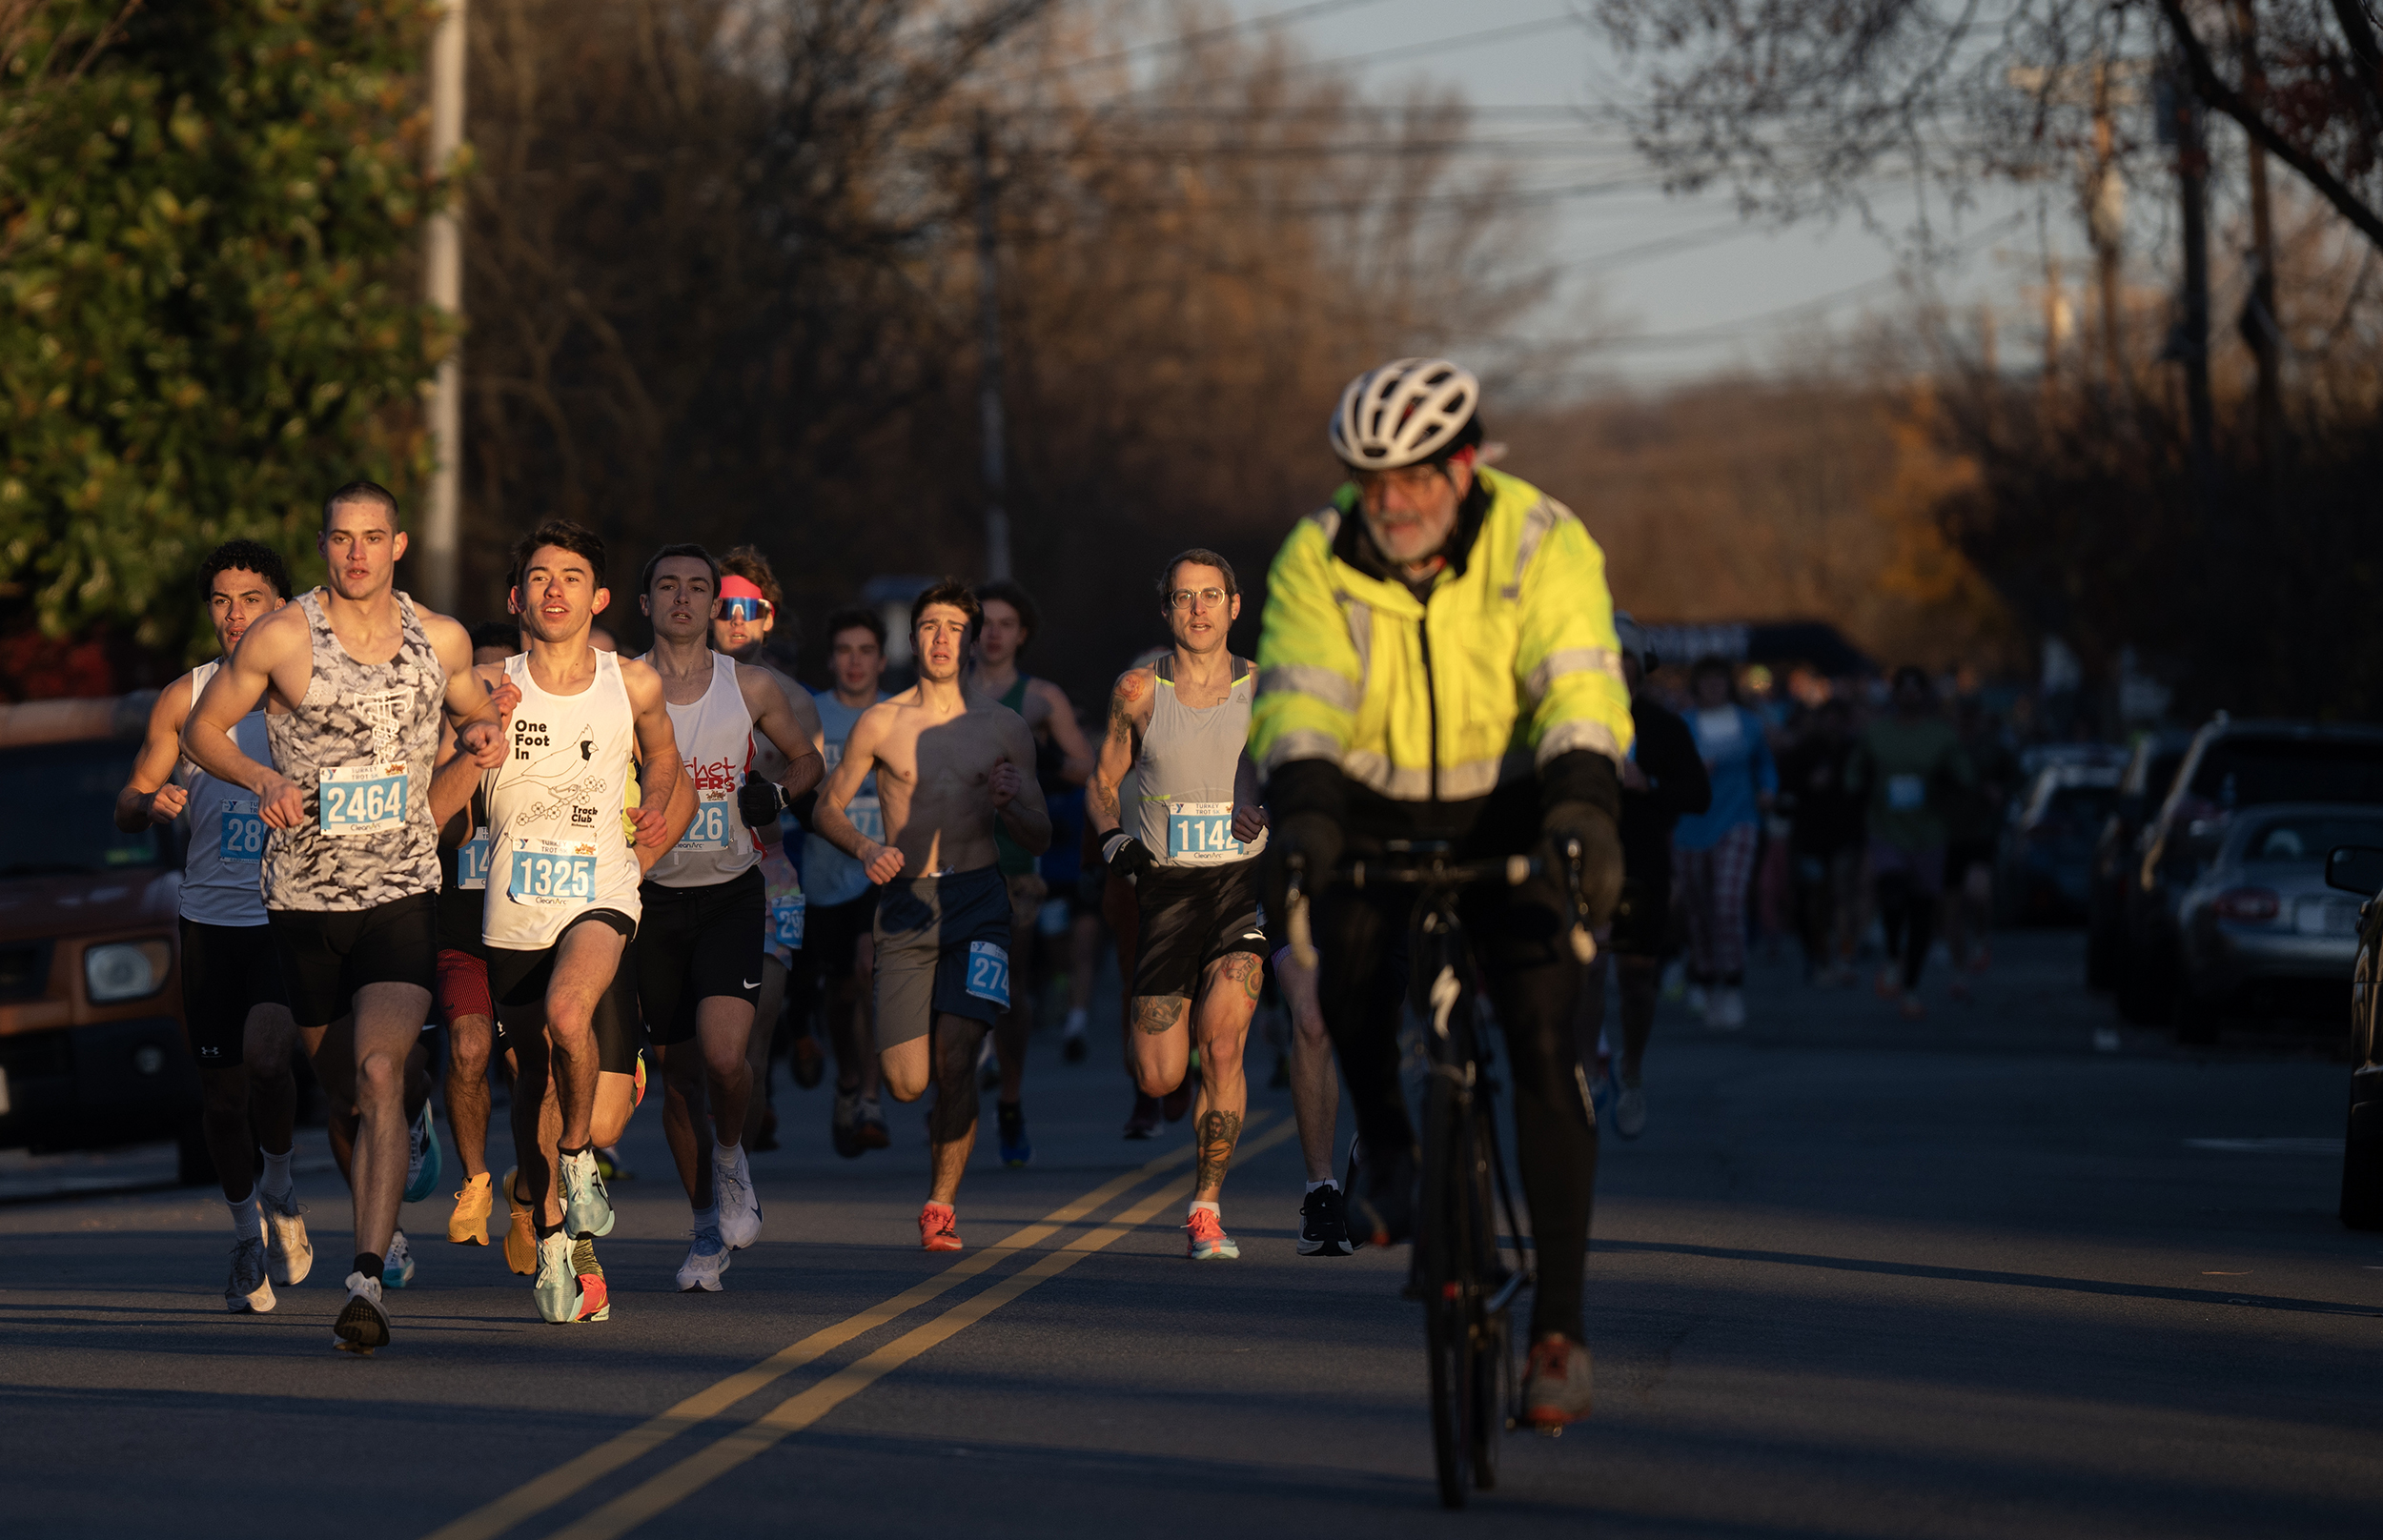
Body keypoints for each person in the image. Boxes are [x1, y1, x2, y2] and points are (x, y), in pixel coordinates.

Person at [1252, 357, 1629, 1429]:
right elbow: (1298, 705)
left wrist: (1585, 806)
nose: (1393, 502)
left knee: (1548, 1044)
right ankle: (1400, 1156)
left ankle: (1557, 1326)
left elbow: (1578, 681)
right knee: (1341, 975)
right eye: (1371, 481)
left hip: (1518, 805)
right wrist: (1308, 819)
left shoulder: (1543, 539)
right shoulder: (1314, 556)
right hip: (1366, 804)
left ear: (1466, 465)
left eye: (1415, 476)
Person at [182, 481, 506, 1355]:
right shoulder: (283, 635)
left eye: (372, 538)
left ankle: (366, 1276)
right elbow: (201, 732)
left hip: (402, 890)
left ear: (398, 545)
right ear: (324, 545)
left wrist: (481, 739)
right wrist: (263, 780)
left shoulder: (437, 637)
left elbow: (477, 712)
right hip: (302, 900)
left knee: (375, 1071)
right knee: (340, 1089)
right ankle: (402, 1123)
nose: (356, 553)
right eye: (340, 538)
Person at [472, 521, 682, 1323]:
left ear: (597, 598)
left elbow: (661, 756)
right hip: (513, 906)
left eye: (571, 577)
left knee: (570, 1015)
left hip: (601, 888)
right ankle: (557, 1239)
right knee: (532, 1082)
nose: (553, 589)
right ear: (517, 596)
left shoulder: (631, 683)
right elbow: (443, 789)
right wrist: (475, 734)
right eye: (538, 576)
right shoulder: (489, 681)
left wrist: (656, 804)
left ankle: (580, 1161)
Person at [814, 578, 1051, 1252]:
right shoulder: (882, 723)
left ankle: (941, 1204)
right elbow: (827, 807)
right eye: (929, 626)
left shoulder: (1004, 727)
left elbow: (1040, 837)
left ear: (971, 640)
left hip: (980, 900)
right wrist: (865, 846)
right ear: (911, 638)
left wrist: (1015, 804)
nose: (942, 638)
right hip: (907, 902)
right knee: (908, 1081)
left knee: (956, 1058)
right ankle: (900, 1099)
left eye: (955, 626)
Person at [114, 540, 310, 1312]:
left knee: (268, 1060)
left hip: (285, 913)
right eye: (223, 601)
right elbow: (129, 800)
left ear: (280, 607)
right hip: (208, 921)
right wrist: (149, 802)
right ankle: (244, 1239)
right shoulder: (184, 698)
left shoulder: (306, 694)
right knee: (222, 1099)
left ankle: (285, 1190)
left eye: (252, 598)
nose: (235, 615)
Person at [633, 544, 824, 1291]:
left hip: (731, 892)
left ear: (716, 603)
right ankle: (705, 1227)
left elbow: (807, 760)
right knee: (677, 1078)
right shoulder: (621, 689)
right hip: (648, 899)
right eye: (667, 586)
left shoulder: (749, 684)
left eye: (697, 588)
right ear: (644, 600)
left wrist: (776, 797)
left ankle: (731, 1159)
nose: (682, 599)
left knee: (721, 1058)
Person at [1088, 549, 1273, 1261]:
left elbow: (1293, 772)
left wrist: (1266, 806)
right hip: (1164, 894)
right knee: (1162, 1074)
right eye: (1183, 597)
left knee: (1224, 1044)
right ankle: (1175, 1075)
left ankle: (1206, 1208)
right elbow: (1103, 782)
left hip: (1235, 891)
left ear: (1234, 605)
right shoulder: (1137, 691)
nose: (1198, 608)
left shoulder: (1266, 689)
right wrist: (1110, 840)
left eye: (1211, 595)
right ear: (1166, 610)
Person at [967, 580, 1093, 1166]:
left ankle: (1010, 1099)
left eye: (1005, 624)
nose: (993, 633)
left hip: (1014, 862)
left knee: (1009, 988)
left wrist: (1033, 755)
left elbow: (1088, 767)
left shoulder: (1040, 698)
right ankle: (955, 1096)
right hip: (947, 856)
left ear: (1022, 633)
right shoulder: (945, 692)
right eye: (984, 621)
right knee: (950, 992)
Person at [1578, 614, 1709, 1140]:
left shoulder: (1664, 727)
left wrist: (1647, 782)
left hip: (1643, 864)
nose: (1613, 666)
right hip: (1585, 864)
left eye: (1623, 657)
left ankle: (1630, 1068)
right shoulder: (1572, 723)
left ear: (1641, 666)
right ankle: (1587, 1069)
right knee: (1587, 968)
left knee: (1635, 980)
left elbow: (1699, 796)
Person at [713, 547, 827, 1145]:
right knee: (693, 1047)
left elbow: (820, 799)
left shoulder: (794, 702)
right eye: (724, 605)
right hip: (684, 875)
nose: (736, 618)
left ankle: (735, 1173)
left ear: (767, 619)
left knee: (751, 1041)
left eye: (748, 608)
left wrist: (867, 849)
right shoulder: (665, 687)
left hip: (769, 876)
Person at [437, 622, 529, 1266]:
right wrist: (467, 743)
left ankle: (528, 1198)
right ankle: (475, 1179)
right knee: (469, 1048)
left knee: (531, 1070)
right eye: (483, 684)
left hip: (528, 934)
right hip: (461, 935)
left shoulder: (546, 750)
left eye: (505, 683)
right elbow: (440, 821)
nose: (497, 696)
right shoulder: (447, 741)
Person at [805, 607, 894, 1157]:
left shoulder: (897, 716)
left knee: (871, 970)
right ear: (832, 658)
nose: (855, 662)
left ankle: (871, 1099)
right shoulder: (809, 716)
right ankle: (846, 1084)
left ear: (883, 660)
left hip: (884, 869)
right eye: (845, 650)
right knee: (839, 995)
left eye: (866, 651)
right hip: (824, 874)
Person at [1847, 666, 1973, 1020]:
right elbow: (1855, 767)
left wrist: (1962, 783)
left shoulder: (1941, 736)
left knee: (1922, 910)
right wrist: (1853, 784)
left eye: (1917, 688)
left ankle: (1911, 987)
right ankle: (1891, 954)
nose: (1910, 695)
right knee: (1892, 887)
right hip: (1887, 827)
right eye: (1904, 688)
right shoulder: (1877, 733)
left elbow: (1965, 772)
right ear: (1894, 694)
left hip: (1929, 832)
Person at [1670, 657, 1777, 1031]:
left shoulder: (1749, 724)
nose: (1714, 687)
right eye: (1707, 681)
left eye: (1720, 680)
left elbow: (1765, 764)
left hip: (1738, 819)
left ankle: (1732, 982)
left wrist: (1768, 789)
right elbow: (1667, 770)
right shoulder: (1681, 726)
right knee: (1699, 909)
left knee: (1727, 901)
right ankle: (1707, 976)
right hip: (1692, 826)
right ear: (1697, 686)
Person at [1776, 697, 1865, 986]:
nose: (1832, 723)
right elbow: (1785, 790)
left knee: (1843, 898)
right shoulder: (1803, 752)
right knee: (1815, 901)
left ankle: (1844, 957)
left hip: (1844, 834)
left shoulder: (1855, 752)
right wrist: (1806, 785)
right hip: (1810, 836)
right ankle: (1820, 958)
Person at [1942, 695, 2017, 993]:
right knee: (1952, 909)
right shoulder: (1945, 748)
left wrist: (2001, 792)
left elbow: (2016, 777)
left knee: (1978, 891)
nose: (1967, 722)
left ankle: (1982, 937)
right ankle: (1959, 971)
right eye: (1963, 715)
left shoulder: (1993, 748)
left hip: (1982, 833)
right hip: (1948, 834)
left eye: (1972, 715)